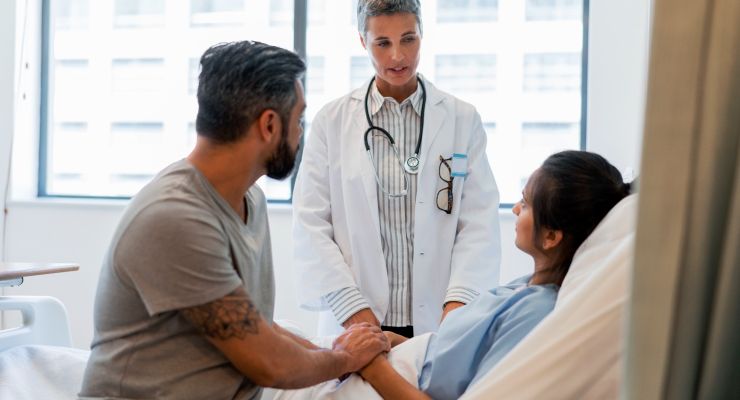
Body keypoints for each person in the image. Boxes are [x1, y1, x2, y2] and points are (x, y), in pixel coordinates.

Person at [79, 41, 389, 400]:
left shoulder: (249, 201)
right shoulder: (174, 218)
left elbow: (250, 324)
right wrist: (344, 359)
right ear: (269, 125)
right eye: (299, 119)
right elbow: (269, 364)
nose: (301, 132)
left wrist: (336, 352)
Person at [292, 0, 502, 338]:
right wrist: (352, 309)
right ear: (363, 41)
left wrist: (458, 307)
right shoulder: (332, 122)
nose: (397, 57)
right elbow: (310, 222)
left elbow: (478, 223)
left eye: (408, 39)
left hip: (439, 318)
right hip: (356, 318)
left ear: (422, 34)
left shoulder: (462, 119)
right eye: (382, 43)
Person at [356, 150, 633, 399]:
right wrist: (394, 342)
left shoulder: (536, 312)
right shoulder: (524, 287)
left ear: (550, 236)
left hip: (391, 380)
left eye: (525, 204)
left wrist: (372, 366)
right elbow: (454, 355)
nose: (514, 209)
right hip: (396, 363)